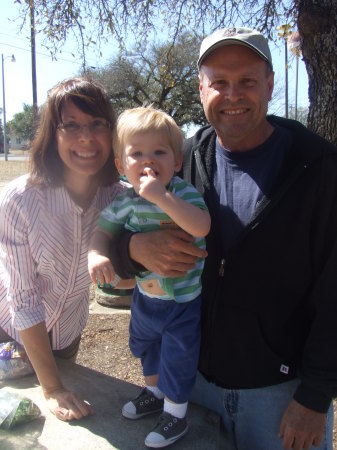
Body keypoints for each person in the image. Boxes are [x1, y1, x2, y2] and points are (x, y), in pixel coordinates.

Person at [110, 28, 337, 450]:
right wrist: (132, 251)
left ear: (270, 84)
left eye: (247, 81)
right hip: (191, 385)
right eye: (219, 83)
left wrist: (316, 396)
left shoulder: (317, 166)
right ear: (201, 89)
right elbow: (120, 232)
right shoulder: (180, 160)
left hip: (281, 395)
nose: (233, 95)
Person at [0, 77, 126, 422]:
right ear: (51, 135)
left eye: (97, 124)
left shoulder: (122, 200)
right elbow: (23, 300)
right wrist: (52, 388)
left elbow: (134, 276)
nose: (86, 137)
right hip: (7, 335)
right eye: (71, 125)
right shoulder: (20, 199)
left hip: (67, 338)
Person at [88, 106, 210, 448]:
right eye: (136, 153)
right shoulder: (125, 202)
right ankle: (154, 394)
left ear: (176, 161)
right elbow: (103, 233)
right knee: (146, 348)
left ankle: (175, 414)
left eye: (159, 152)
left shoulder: (183, 194)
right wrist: (96, 254)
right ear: (120, 165)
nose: (148, 160)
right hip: (144, 298)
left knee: (178, 355)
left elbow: (202, 226)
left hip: (182, 302)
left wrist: (161, 196)